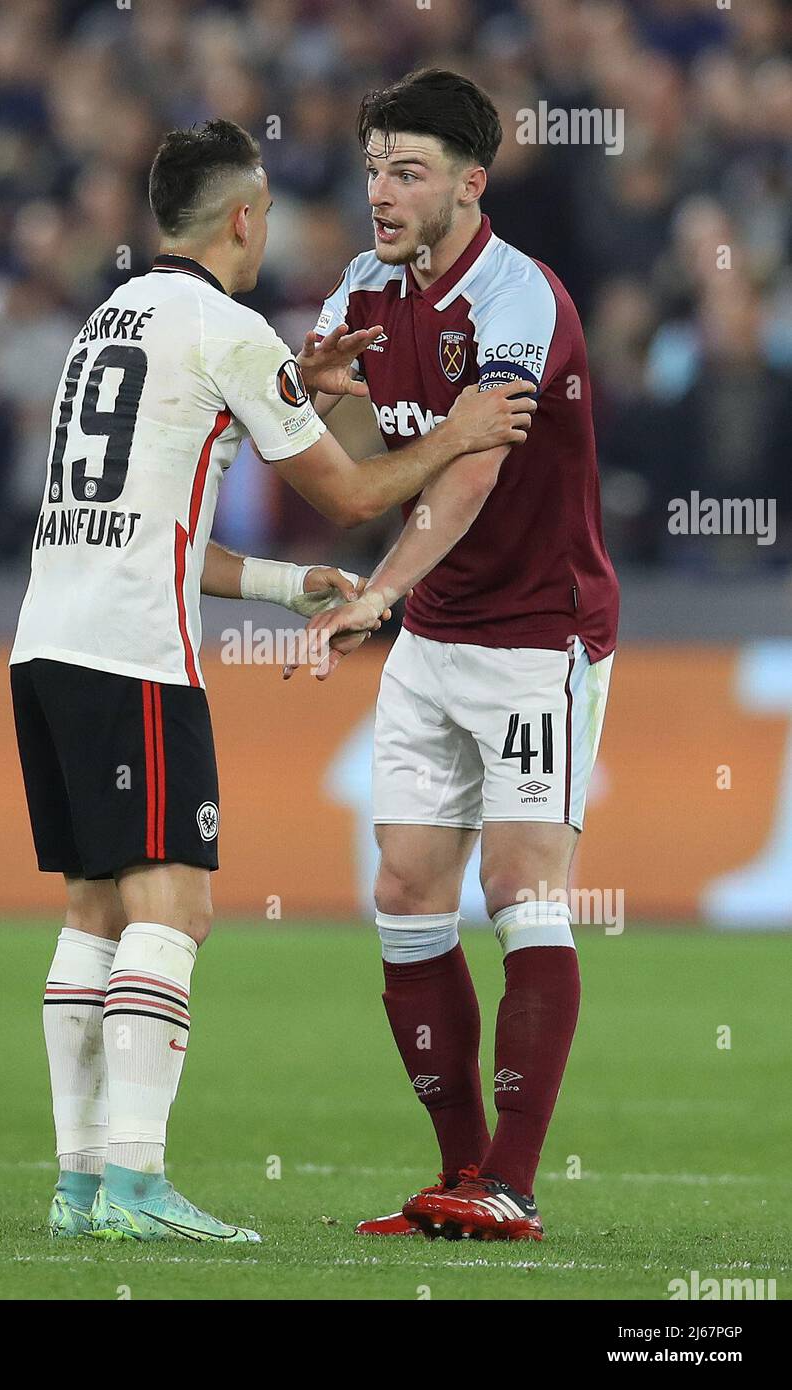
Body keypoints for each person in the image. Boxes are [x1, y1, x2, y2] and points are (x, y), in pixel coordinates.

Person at [8, 117, 537, 1244]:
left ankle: (78, 1183)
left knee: (93, 910)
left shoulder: (105, 323)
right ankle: (138, 1186)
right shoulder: (228, 327)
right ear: (245, 217)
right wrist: (459, 430)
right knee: (175, 909)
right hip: (134, 657)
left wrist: (289, 581)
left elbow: (148, 526)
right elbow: (351, 493)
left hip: (46, 640)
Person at [296, 69, 619, 1242]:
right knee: (403, 891)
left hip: (538, 631)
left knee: (522, 885)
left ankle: (512, 1186)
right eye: (373, 165)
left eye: (408, 170)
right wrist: (297, 394)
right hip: (433, 632)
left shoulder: (517, 299)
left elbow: (472, 471)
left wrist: (377, 592)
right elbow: (337, 459)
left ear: (470, 185)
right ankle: (458, 1173)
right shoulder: (363, 289)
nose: (380, 191)